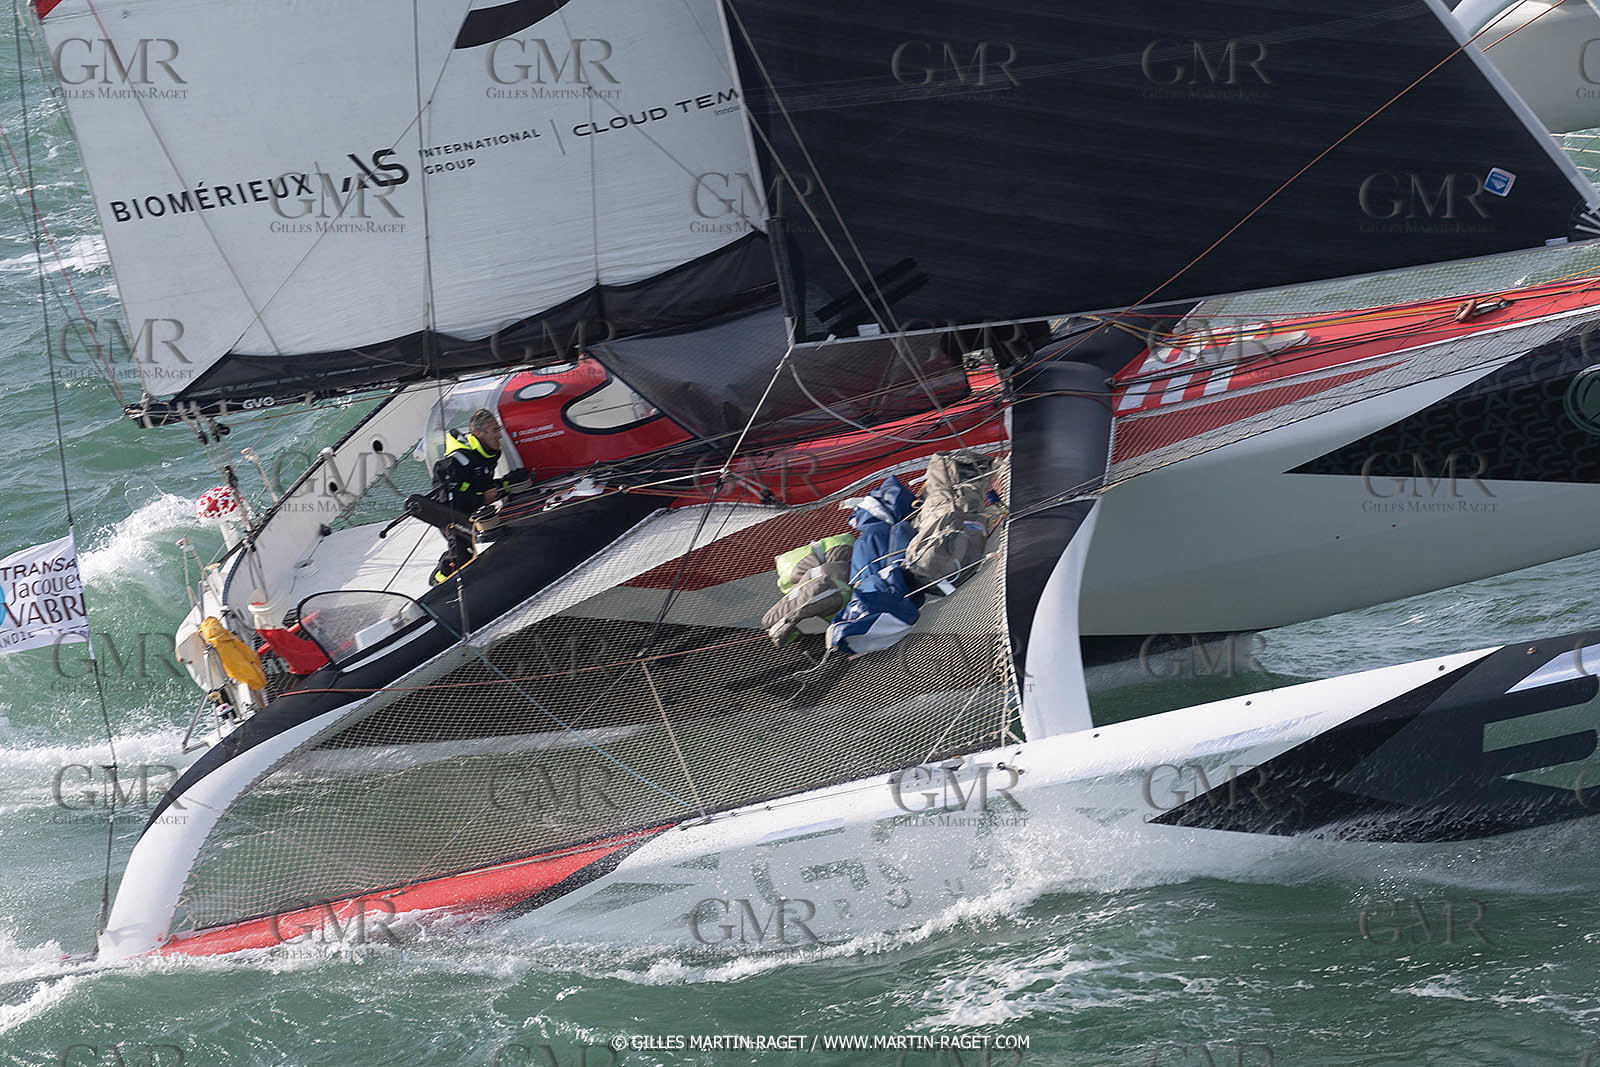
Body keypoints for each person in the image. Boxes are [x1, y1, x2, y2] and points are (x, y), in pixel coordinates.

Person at [430, 408, 506, 585]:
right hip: (449, 515)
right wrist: (481, 499)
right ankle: (441, 579)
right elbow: (446, 503)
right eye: (495, 430)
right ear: (478, 433)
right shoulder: (456, 462)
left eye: (499, 430)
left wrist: (504, 487)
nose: (499, 436)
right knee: (464, 556)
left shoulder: (488, 455)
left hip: (472, 512)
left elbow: (483, 483)